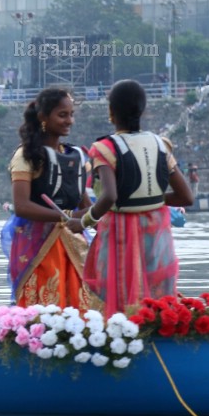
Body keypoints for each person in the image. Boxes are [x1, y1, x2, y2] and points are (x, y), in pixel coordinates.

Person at [68, 79, 194, 315]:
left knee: (118, 298)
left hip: (121, 232)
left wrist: (82, 222)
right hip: (157, 231)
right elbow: (186, 196)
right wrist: (152, 198)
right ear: (143, 110)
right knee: (156, 296)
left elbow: (109, 196)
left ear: (111, 112)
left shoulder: (103, 148)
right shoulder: (161, 145)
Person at [2, 88, 94, 309]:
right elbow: (22, 206)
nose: (69, 121)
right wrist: (68, 217)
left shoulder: (74, 156)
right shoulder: (26, 156)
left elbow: (85, 204)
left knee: (81, 306)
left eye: (71, 114)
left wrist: (95, 218)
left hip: (74, 242)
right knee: (43, 308)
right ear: (43, 117)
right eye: (62, 115)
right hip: (37, 244)